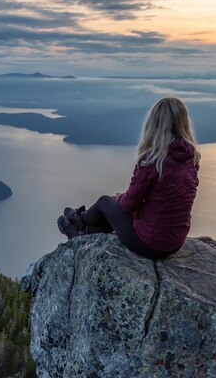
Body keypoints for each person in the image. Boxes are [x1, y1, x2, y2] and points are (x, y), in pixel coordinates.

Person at [57, 97, 200, 259]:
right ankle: (85, 230)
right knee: (113, 212)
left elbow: (128, 204)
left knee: (105, 202)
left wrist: (119, 199)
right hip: (175, 242)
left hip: (150, 244)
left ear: (154, 123)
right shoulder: (191, 158)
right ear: (183, 123)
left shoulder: (153, 160)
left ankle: (78, 225)